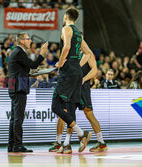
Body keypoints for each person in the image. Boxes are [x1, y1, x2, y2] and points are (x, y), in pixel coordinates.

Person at [51, 7, 93, 153]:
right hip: (77, 73)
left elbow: (67, 47)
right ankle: (67, 145)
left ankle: (81, 133)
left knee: (55, 106)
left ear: (65, 16)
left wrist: (61, 62)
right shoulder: (78, 34)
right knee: (69, 107)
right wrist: (77, 65)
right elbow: (88, 53)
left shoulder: (66, 29)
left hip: (68, 72)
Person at [49, 52, 108, 154]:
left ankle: (101, 142)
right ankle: (62, 143)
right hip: (71, 86)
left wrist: (84, 79)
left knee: (89, 114)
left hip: (83, 86)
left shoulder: (87, 53)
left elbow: (94, 70)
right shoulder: (69, 52)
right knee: (66, 113)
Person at [8, 32, 48, 152]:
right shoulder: (19, 52)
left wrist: (29, 74)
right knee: (18, 118)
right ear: (21, 41)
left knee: (14, 118)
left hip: (14, 86)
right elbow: (33, 64)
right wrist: (42, 53)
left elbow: (23, 69)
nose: (30, 41)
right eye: (28, 39)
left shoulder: (16, 52)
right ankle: (17, 145)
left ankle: (12, 145)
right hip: (18, 87)